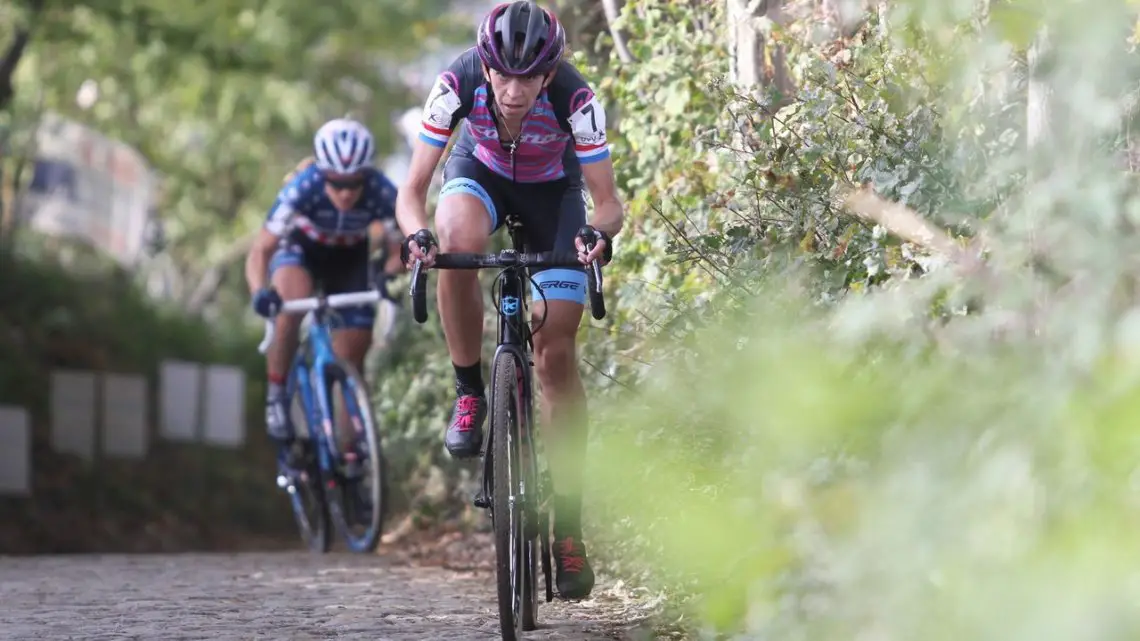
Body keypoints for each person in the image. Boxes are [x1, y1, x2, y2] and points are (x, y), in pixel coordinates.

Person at [395, 0, 625, 601]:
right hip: (482, 176)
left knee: (555, 358)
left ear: (550, 73)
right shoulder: (457, 83)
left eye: (529, 77)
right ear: (486, 66)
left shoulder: (576, 99)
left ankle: (568, 528)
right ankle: (470, 389)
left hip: (556, 196)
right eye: (502, 74)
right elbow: (412, 191)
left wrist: (597, 234)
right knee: (457, 240)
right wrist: (415, 233)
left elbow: (609, 204)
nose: (514, 89)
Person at [244, 118, 401, 463]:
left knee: (353, 355)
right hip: (301, 251)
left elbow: (398, 250)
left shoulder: (382, 192)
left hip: (349, 258)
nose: (345, 192)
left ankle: (351, 451)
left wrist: (387, 277)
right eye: (336, 182)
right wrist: (259, 291)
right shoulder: (302, 188)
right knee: (290, 304)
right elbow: (261, 251)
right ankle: (276, 394)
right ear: (322, 173)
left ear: (366, 175)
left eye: (353, 183)